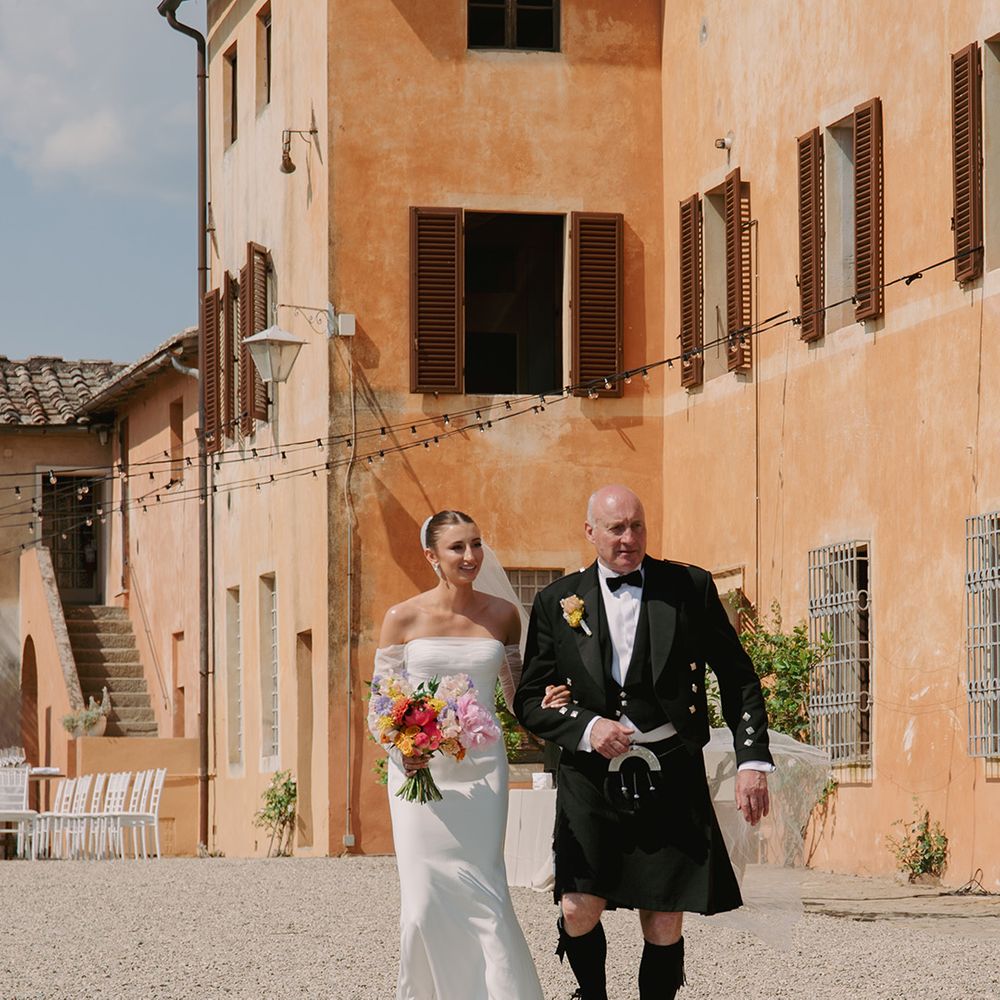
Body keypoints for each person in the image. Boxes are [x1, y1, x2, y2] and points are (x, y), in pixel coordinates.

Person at [514, 485, 774, 1000]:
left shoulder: (688, 586)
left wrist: (752, 761)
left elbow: (738, 675)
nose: (628, 538)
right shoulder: (555, 601)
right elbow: (528, 699)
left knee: (663, 918)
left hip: (671, 768)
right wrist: (588, 727)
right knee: (577, 907)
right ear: (590, 532)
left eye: (637, 526)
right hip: (589, 777)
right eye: (616, 528)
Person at [370, 509, 561, 1000]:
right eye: (457, 547)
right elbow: (380, 702)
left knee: (485, 892)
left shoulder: (502, 614)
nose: (471, 556)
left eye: (476, 544)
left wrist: (550, 704)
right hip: (419, 773)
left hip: (482, 773)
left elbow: (519, 697)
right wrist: (401, 747)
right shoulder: (402, 617)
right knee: (423, 902)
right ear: (432, 556)